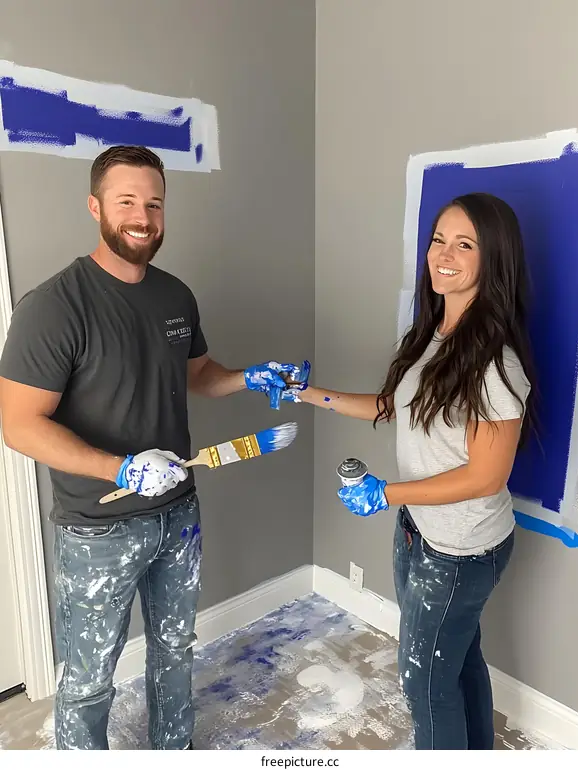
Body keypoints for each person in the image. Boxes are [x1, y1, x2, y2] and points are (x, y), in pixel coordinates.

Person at [0, 145, 301, 750]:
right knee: (87, 682)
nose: (143, 217)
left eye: (154, 203)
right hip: (97, 528)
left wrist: (248, 377)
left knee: (174, 651)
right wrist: (122, 468)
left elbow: (199, 374)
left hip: (178, 515)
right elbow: (18, 425)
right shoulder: (53, 308)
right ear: (95, 207)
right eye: (127, 202)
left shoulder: (174, 297)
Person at [284, 193, 536, 750]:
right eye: (438, 239)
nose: (443, 254)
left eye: (464, 244)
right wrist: (305, 394)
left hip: (459, 549)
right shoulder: (434, 337)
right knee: (458, 658)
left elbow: (485, 478)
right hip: (421, 533)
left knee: (423, 681)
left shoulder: (495, 363)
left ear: (493, 259)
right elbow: (392, 405)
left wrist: (386, 493)